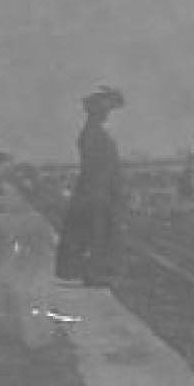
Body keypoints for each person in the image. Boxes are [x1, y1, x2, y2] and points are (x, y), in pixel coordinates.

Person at [55, 86, 126, 288]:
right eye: (107, 110)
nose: (108, 114)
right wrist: (102, 191)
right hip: (96, 190)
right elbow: (98, 167)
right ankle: (93, 274)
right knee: (95, 232)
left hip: (97, 189)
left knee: (95, 232)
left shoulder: (94, 132)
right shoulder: (93, 133)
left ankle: (94, 272)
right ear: (98, 112)